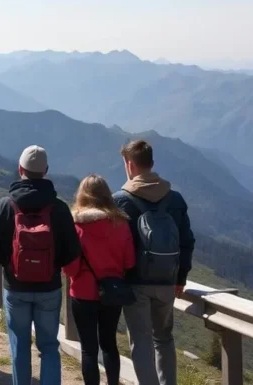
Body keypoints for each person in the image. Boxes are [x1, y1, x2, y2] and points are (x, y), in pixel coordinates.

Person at [0, 145, 81, 385]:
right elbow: (72, 252)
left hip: (15, 288)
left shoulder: (4, 206)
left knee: (19, 345)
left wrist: (11, 263)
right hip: (49, 289)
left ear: (20, 169)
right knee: (49, 345)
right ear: (46, 171)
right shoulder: (59, 208)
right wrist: (51, 263)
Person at [113, 140, 195, 385]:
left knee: (141, 341)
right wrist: (180, 278)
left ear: (129, 165)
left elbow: (117, 246)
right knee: (164, 338)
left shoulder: (121, 201)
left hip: (135, 283)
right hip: (167, 281)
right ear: (152, 164)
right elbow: (187, 241)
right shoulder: (176, 199)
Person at [63, 175, 135, 385]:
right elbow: (129, 262)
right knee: (109, 344)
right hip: (113, 292)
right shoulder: (120, 223)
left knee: (89, 349)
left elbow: (71, 267)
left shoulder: (75, 226)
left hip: (83, 294)